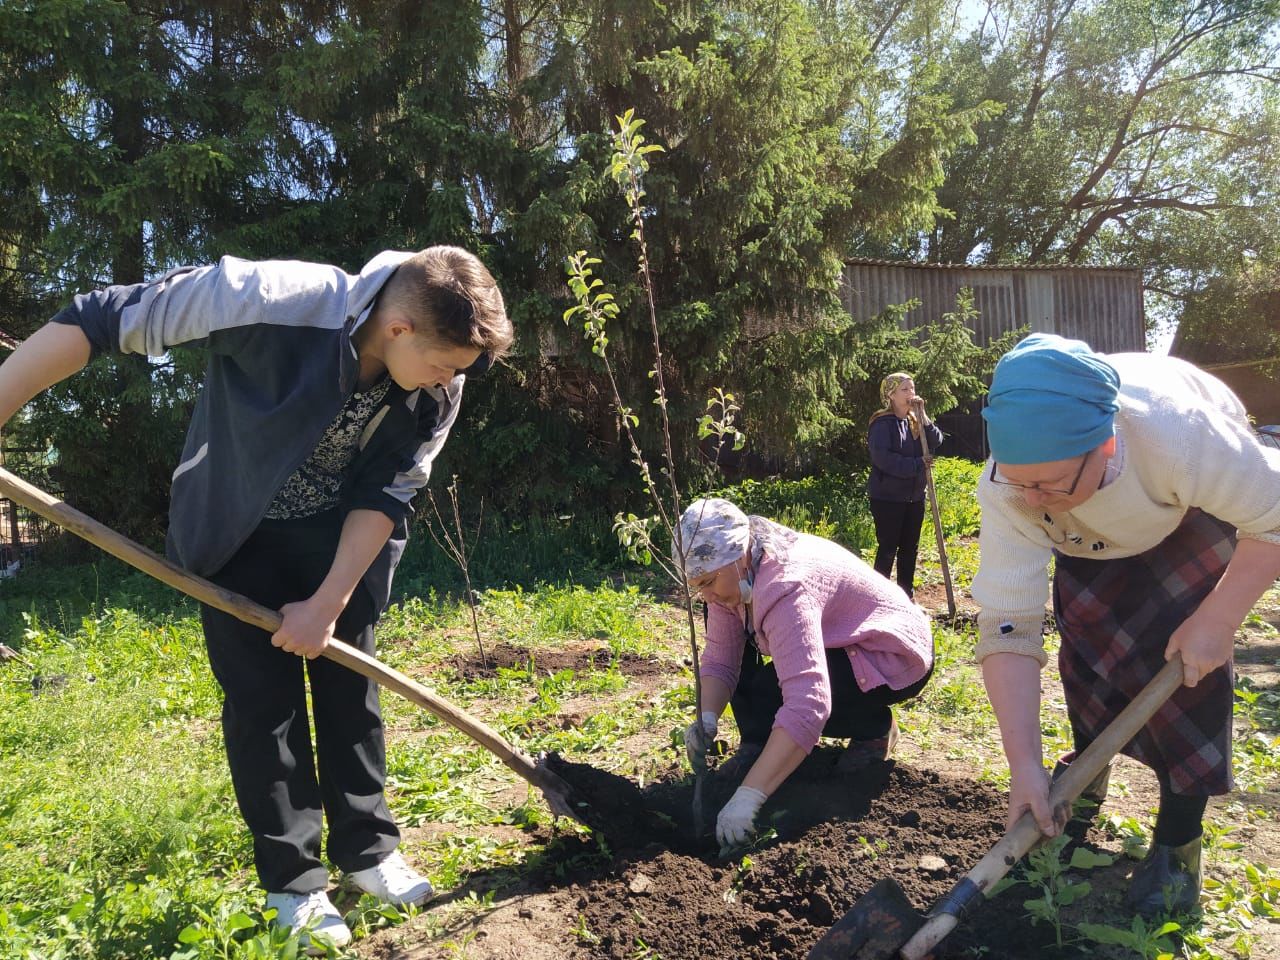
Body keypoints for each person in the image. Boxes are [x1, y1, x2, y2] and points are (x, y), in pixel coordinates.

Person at [0, 247, 512, 951]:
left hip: (342, 545)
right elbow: (98, 319)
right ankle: (293, 886)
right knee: (262, 709)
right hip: (235, 533)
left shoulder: (443, 383)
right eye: (445, 363)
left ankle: (368, 854)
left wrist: (327, 605)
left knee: (351, 688)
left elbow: (389, 490)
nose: (453, 380)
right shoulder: (269, 297)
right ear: (398, 330)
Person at [971, 333, 1280, 917]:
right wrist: (1022, 765)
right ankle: (1080, 778)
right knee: (1089, 657)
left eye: (1049, 484)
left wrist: (1217, 618)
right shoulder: (1009, 489)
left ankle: (1178, 845)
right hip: (1091, 542)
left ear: (1106, 445)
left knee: (1189, 679)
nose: (1032, 500)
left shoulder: (1181, 437)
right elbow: (1009, 624)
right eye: (1020, 482)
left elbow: (1275, 515)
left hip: (1188, 511)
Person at [675, 497, 934, 851]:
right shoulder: (734, 579)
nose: (705, 595)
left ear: (737, 556)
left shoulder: (786, 586)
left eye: (707, 582)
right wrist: (706, 718)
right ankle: (761, 747)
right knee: (767, 689)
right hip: (839, 642)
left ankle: (873, 729)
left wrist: (749, 797)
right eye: (697, 587)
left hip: (890, 652)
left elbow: (809, 703)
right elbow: (722, 659)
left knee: (794, 695)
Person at [867, 372, 943, 599]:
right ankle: (876, 597)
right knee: (888, 548)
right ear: (890, 394)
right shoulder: (882, 423)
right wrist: (916, 464)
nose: (912, 393)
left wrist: (924, 416)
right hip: (888, 497)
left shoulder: (914, 420)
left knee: (910, 550)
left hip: (914, 497)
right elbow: (883, 459)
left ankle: (905, 597)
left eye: (912, 388)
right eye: (905, 390)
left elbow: (936, 440)